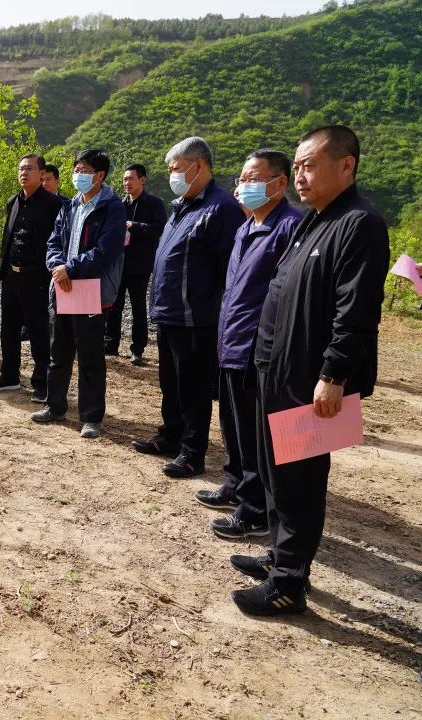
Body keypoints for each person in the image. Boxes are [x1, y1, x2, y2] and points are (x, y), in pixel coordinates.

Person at [231, 126, 389, 616]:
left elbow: (356, 309)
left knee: (300, 480)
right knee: (276, 474)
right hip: (275, 370)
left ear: (346, 166)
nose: (300, 174)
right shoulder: (310, 222)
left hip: (310, 378)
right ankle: (280, 555)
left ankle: (288, 585)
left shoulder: (359, 224)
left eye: (310, 164)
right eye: (296, 165)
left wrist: (334, 374)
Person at [194, 150, 302, 541]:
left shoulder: (290, 227)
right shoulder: (245, 227)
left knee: (255, 436)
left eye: (253, 177)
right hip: (230, 341)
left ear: (278, 183)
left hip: (257, 348)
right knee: (233, 426)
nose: (244, 184)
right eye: (241, 177)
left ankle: (253, 511)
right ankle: (235, 485)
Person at [132, 137, 245, 477]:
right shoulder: (182, 206)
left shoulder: (221, 209)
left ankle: (193, 452)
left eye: (176, 169)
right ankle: (170, 435)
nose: (172, 175)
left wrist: (216, 310)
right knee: (170, 382)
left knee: (194, 387)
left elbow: (231, 268)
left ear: (199, 166)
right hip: (169, 313)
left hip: (197, 317)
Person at [33, 149, 126, 438]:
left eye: (83, 170)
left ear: (99, 175)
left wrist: (70, 269)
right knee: (58, 351)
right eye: (76, 169)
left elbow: (106, 251)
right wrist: (56, 266)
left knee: (90, 355)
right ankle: (55, 405)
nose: (77, 175)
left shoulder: (112, 207)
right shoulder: (70, 204)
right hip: (61, 285)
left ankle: (91, 417)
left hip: (89, 289)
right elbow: (54, 240)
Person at [0, 154, 66, 401]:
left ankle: (41, 382)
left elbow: (58, 243)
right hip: (12, 276)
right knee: (8, 329)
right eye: (21, 168)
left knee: (39, 331)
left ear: (42, 174)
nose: (24, 172)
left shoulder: (54, 205)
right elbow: (7, 239)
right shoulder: (13, 201)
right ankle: (9, 375)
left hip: (37, 278)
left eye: (29, 169)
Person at [104, 164, 167, 364]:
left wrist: (135, 226)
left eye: (131, 179)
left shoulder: (154, 204)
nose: (126, 183)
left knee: (138, 307)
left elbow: (160, 228)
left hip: (140, 264)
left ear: (142, 179)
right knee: (114, 305)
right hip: (119, 262)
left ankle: (137, 349)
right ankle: (111, 344)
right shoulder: (119, 204)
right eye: (124, 180)